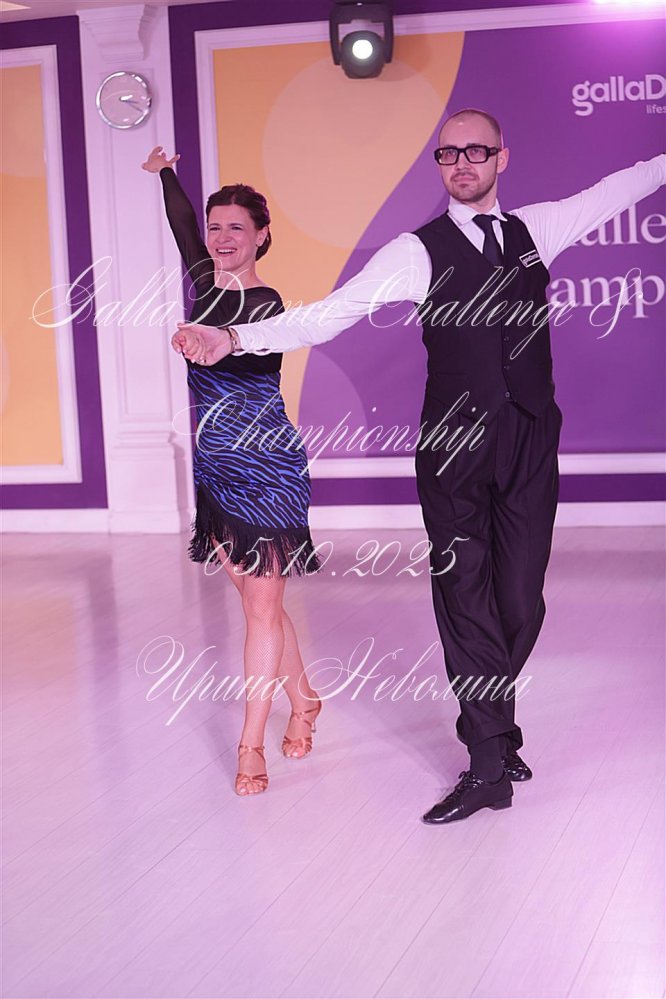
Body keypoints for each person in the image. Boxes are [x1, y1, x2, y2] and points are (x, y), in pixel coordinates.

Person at [172, 113, 666, 824]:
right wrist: (233, 336)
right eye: (448, 153)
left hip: (529, 435)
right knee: (464, 593)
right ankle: (489, 761)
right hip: (453, 443)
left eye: (476, 151)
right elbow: (327, 316)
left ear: (501, 157)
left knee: (521, 600)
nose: (462, 162)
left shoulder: (541, 227)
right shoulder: (415, 252)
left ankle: (490, 725)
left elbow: (625, 185)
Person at [142, 147, 322, 797]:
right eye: (215, 227)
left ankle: (251, 745)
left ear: (261, 236)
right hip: (217, 469)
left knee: (261, 607)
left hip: (268, 469)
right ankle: (306, 699)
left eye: (236, 228)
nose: (221, 237)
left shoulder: (265, 300)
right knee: (258, 602)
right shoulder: (204, 280)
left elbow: (237, 344)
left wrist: (200, 341)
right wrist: (165, 172)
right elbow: (181, 224)